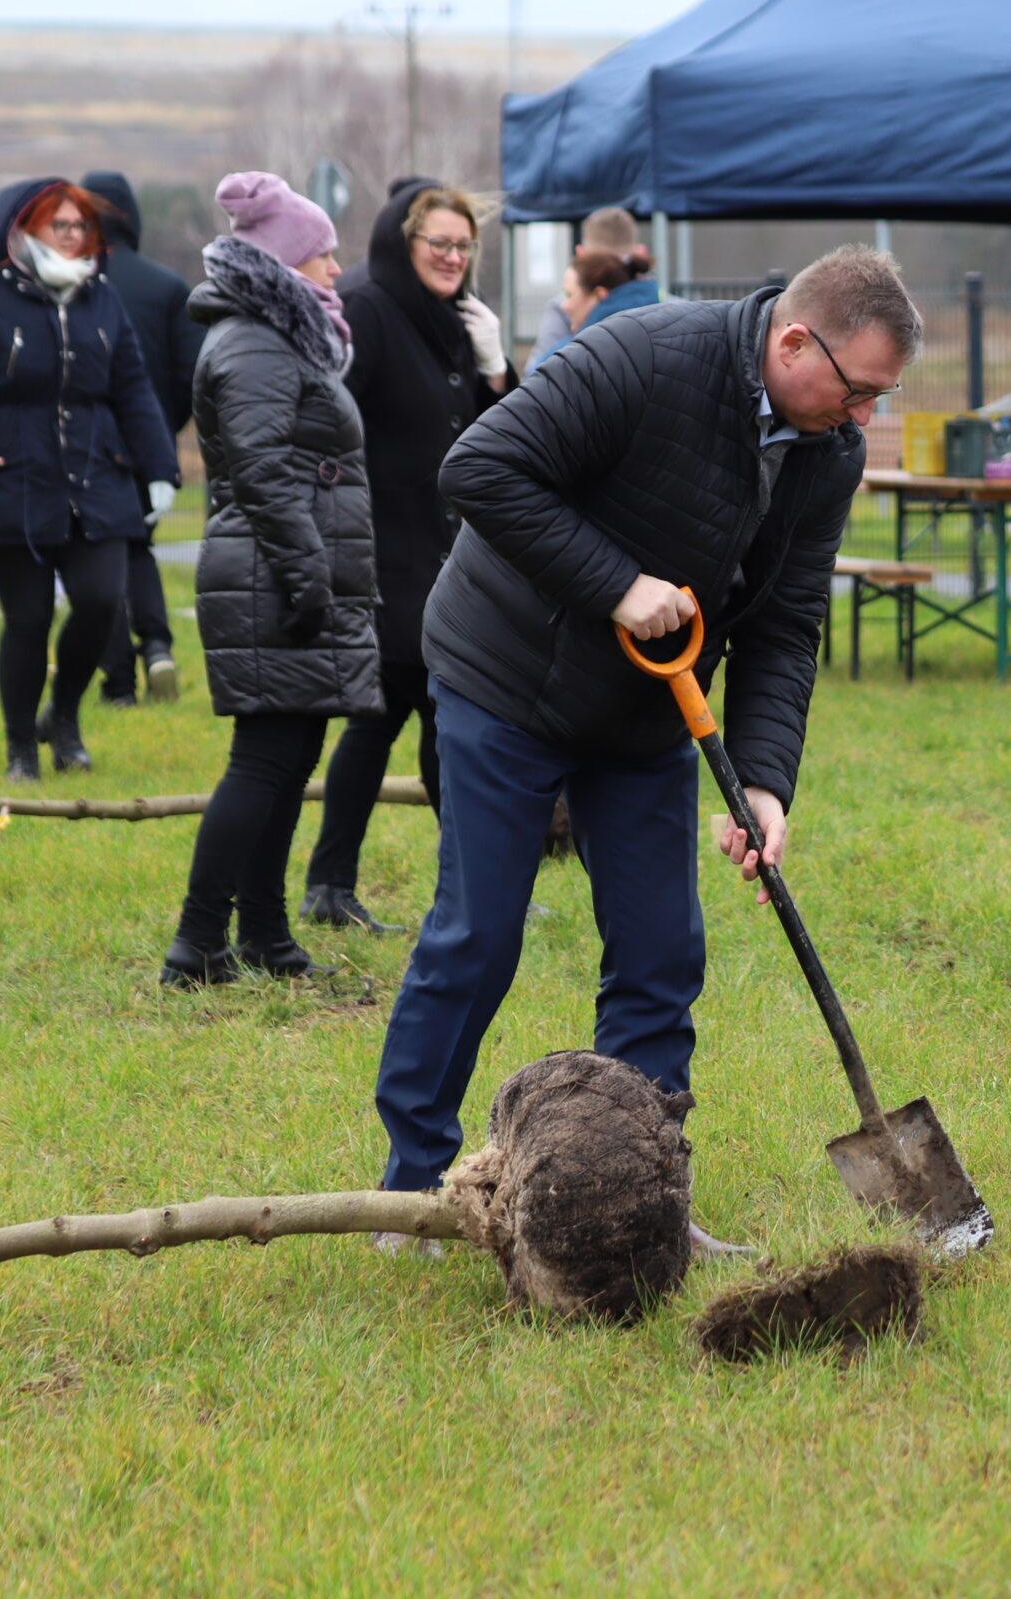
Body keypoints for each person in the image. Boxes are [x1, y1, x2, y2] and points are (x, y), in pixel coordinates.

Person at [368, 245, 920, 1259]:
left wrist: (762, 780)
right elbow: (479, 468)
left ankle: (648, 1193)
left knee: (663, 949)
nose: (863, 420)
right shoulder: (643, 355)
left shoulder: (824, 449)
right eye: (857, 392)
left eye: (877, 399)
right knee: (478, 935)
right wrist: (618, 582)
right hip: (504, 676)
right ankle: (412, 1187)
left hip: (647, 708)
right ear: (794, 340)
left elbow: (788, 620)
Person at [160, 173, 380, 987]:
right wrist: (310, 575)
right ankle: (196, 943)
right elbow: (260, 471)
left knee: (288, 762)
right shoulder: (253, 343)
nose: (333, 268)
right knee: (262, 760)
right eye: (320, 254)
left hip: (286, 571)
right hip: (273, 574)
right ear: (284, 264)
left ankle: (264, 934)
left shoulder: (280, 337)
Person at [299, 182, 513, 936]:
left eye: (464, 246)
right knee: (393, 715)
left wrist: (496, 373)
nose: (454, 257)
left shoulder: (451, 318)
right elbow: (327, 421)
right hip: (387, 550)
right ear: (404, 242)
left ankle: (457, 889)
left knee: (435, 721)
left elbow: (497, 443)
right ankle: (338, 884)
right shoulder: (368, 307)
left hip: (446, 554)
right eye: (439, 244)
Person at [0, 178, 179, 780]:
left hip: (97, 478)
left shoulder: (100, 297)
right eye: (60, 224)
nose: (74, 235)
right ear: (22, 229)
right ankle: (20, 749)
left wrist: (159, 466)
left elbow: (132, 386)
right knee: (28, 618)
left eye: (81, 225)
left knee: (101, 600)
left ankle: (62, 716)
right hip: (9, 479)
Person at [84, 171, 207, 707]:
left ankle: (117, 683)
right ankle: (157, 644)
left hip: (85, 447)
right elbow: (193, 376)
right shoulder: (167, 288)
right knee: (139, 548)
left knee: (100, 558)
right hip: (148, 441)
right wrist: (164, 427)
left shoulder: (75, 285)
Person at [528, 206, 651, 364]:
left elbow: (537, 379)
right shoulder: (671, 307)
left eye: (569, 295)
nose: (566, 304)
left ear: (581, 254)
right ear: (640, 253)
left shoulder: (562, 310)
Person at [528, 245, 657, 373]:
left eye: (569, 295)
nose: (564, 305)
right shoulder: (657, 327)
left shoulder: (574, 357)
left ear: (599, 294)